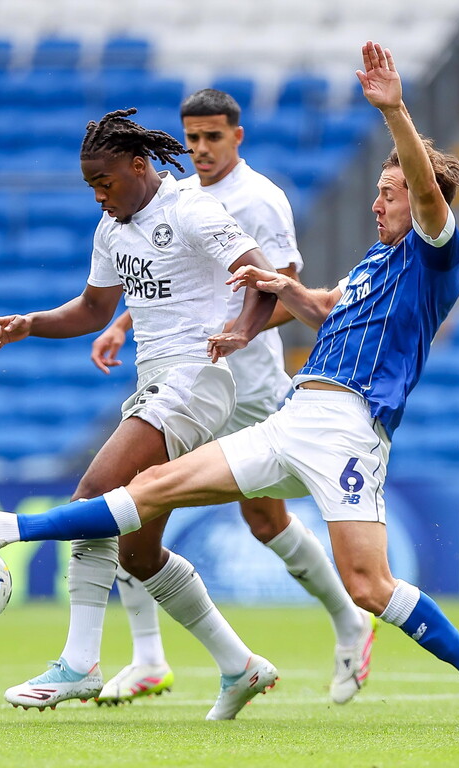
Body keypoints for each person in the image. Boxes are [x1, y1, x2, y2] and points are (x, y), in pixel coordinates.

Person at [0, 42, 459, 727]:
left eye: (389, 193)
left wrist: (395, 109)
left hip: (350, 430)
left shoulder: (437, 254)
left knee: (369, 585)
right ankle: (6, 530)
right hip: (292, 415)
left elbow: (428, 195)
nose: (379, 204)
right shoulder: (373, 265)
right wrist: (284, 290)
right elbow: (322, 310)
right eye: (376, 192)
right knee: (147, 493)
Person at [0, 106, 283, 721]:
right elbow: (93, 309)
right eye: (90, 186)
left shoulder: (191, 210)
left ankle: (79, 663)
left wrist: (243, 332)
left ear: (139, 166)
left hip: (197, 379)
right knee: (138, 553)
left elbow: (264, 279)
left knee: (95, 492)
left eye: (106, 182)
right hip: (157, 383)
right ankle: (241, 665)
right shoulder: (112, 228)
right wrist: (32, 323)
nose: (98, 195)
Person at [89, 89, 375, 707]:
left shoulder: (259, 199)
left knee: (263, 517)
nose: (200, 150)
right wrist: (122, 323)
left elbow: (286, 290)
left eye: (212, 138)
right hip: (189, 383)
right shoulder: (170, 202)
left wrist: (236, 329)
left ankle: (351, 618)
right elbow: (172, 288)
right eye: (191, 139)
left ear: (236, 137)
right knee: (133, 502)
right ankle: (147, 657)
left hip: (250, 387)